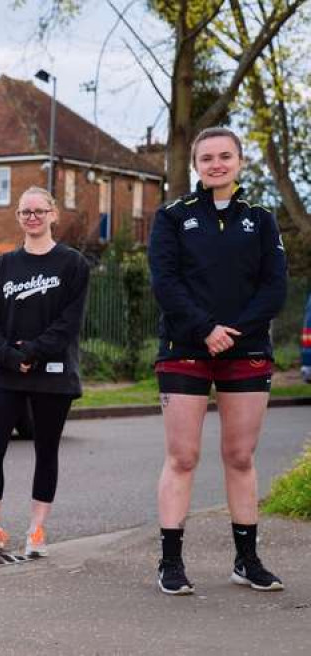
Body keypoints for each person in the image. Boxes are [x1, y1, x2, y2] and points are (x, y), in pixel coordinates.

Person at [149, 127, 287, 596]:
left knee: (240, 456)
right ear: (196, 165)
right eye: (206, 158)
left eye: (225, 156)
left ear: (240, 162)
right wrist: (205, 329)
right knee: (183, 457)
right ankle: (170, 563)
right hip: (185, 347)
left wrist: (235, 333)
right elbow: (165, 282)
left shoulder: (263, 220)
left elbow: (274, 289)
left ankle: (247, 561)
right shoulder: (172, 216)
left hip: (245, 350)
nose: (216, 164)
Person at [0, 186, 90, 559]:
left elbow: (69, 321)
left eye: (39, 211)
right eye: (26, 212)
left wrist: (34, 351)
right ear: (19, 217)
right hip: (4, 370)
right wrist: (9, 355)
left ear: (53, 214)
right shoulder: (3, 266)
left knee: (46, 450)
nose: (33, 218)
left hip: (52, 372)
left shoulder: (72, 264)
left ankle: (36, 529)